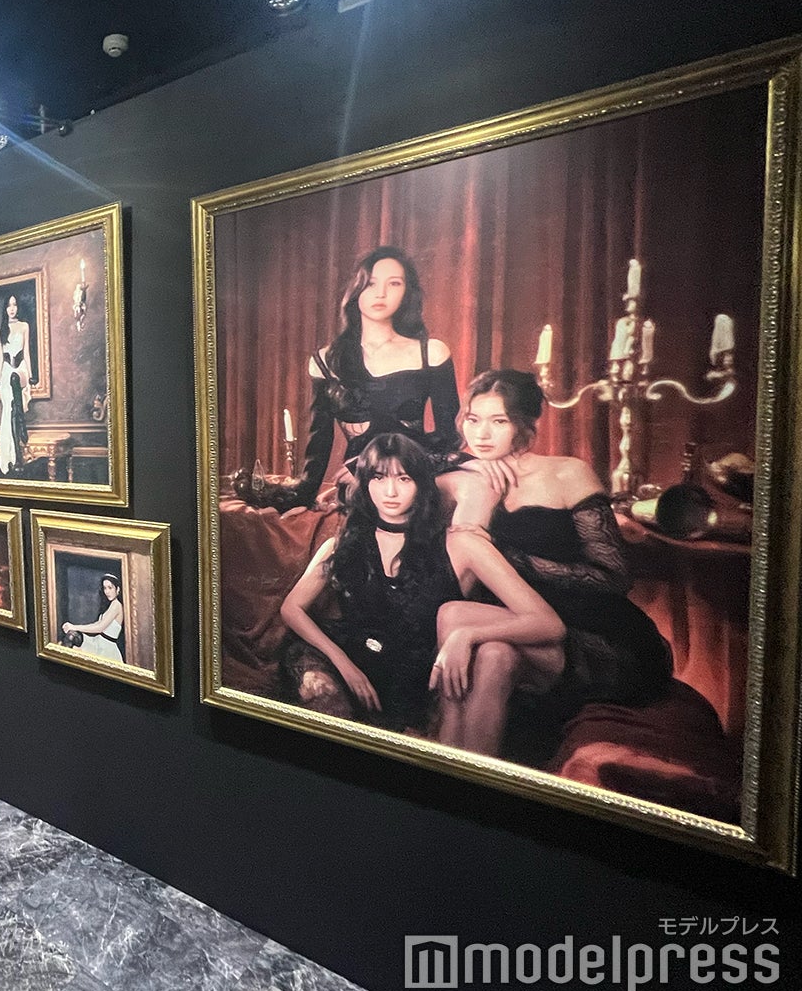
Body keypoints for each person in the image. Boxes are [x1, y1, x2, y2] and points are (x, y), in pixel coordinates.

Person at [437, 369, 674, 756]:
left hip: (593, 633)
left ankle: (456, 771)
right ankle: (452, 770)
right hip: (517, 623)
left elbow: (613, 576)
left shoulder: (567, 472)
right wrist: (464, 464)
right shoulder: (468, 475)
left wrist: (506, 559)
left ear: (524, 424)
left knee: (483, 642)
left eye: (499, 422)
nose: (482, 434)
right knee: (493, 652)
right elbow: (393, 464)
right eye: (473, 420)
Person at [279, 433, 564, 736]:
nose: (390, 492)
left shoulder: (460, 545)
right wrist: (343, 663)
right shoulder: (343, 545)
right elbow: (291, 608)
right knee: (324, 705)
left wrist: (466, 635)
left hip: (417, 684)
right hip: (348, 665)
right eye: (378, 478)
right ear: (365, 483)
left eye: (404, 479)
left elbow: (548, 623)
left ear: (421, 484)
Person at [281, 247, 460, 510]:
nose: (381, 293)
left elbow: (447, 438)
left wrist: (369, 465)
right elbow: (318, 447)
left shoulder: (431, 352)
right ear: (356, 289)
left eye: (394, 283)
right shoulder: (324, 361)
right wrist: (301, 499)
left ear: (407, 292)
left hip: (411, 477)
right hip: (357, 486)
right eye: (371, 283)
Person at [0, 294, 32, 475]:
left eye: (14, 304)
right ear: (5, 308)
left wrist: (31, 376)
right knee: (11, 407)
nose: (12, 308)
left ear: (18, 307)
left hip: (20, 369)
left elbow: (26, 353)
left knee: (15, 379)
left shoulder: (24, 326)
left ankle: (21, 428)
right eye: (9, 305)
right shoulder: (0, 330)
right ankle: (17, 454)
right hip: (6, 371)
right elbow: (0, 357)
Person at [61, 573, 126, 663]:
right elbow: (96, 624)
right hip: (98, 642)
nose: (107, 591)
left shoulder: (117, 605)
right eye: (105, 588)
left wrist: (74, 627)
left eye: (110, 588)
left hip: (107, 649)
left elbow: (100, 628)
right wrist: (74, 627)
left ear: (117, 589)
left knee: (71, 642)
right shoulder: (111, 605)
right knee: (71, 637)